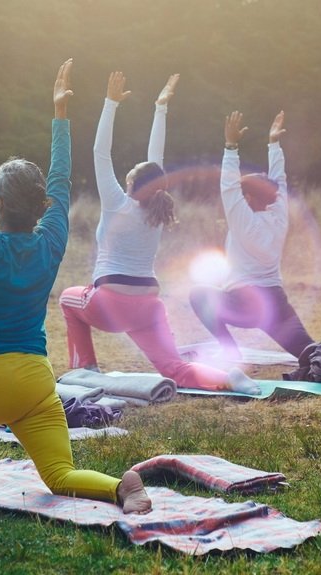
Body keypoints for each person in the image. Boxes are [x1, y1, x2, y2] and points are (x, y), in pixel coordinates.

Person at [0, 60, 151, 514]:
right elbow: (62, 184)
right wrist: (60, 118)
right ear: (41, 204)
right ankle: (120, 487)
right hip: (33, 385)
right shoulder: (51, 243)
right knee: (59, 476)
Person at [58, 72, 260, 394]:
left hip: (109, 304)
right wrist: (160, 108)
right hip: (149, 306)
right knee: (174, 368)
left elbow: (100, 152)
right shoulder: (156, 211)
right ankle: (230, 378)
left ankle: (86, 369)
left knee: (68, 299)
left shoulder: (117, 203)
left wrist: (110, 103)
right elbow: (157, 161)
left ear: (130, 183)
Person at [189, 110, 315, 362]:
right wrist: (274, 144)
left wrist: (231, 146)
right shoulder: (279, 215)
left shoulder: (243, 221)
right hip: (276, 304)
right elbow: (279, 180)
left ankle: (229, 350)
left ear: (248, 198)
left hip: (244, 304)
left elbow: (228, 187)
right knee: (313, 354)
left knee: (198, 294)